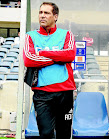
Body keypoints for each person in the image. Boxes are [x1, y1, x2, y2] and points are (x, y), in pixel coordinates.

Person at [23, 2, 76, 139]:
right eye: (40, 12)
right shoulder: (30, 36)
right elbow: (29, 60)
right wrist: (58, 57)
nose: (42, 16)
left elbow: (70, 55)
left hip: (64, 92)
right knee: (45, 133)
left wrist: (43, 53)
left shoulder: (66, 34)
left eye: (46, 13)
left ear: (55, 16)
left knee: (64, 134)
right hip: (42, 94)